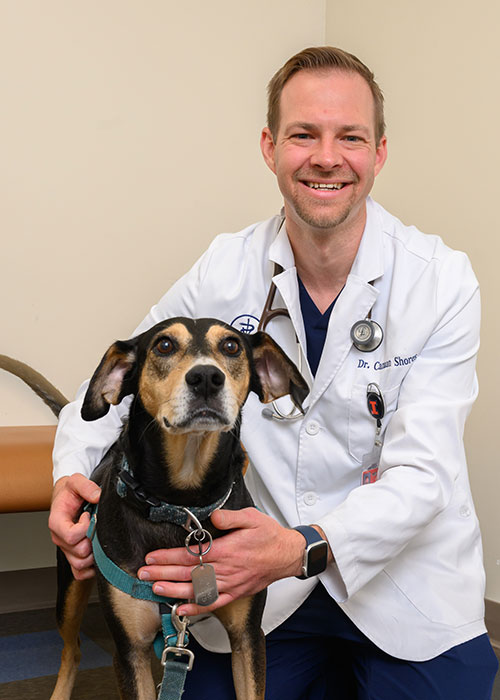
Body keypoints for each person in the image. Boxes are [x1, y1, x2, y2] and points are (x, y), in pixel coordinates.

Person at [49, 47, 498, 698]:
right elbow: (129, 376)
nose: (326, 157)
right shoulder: (223, 268)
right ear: (269, 147)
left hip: (406, 583)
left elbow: (425, 476)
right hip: (255, 586)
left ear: (379, 152)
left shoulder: (441, 280)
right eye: (302, 135)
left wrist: (301, 546)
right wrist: (71, 471)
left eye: (350, 136)